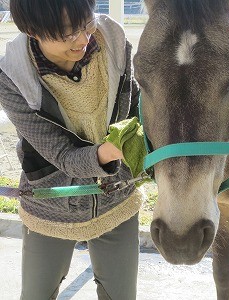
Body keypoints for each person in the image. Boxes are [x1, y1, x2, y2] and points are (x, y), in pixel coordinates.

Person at [0, 0, 142, 299]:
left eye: (86, 23)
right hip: (50, 206)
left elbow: (139, 109)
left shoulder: (115, 45)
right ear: (31, 31)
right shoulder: (12, 76)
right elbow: (62, 155)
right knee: (37, 294)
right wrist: (110, 152)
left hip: (116, 197)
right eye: (66, 34)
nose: (82, 39)